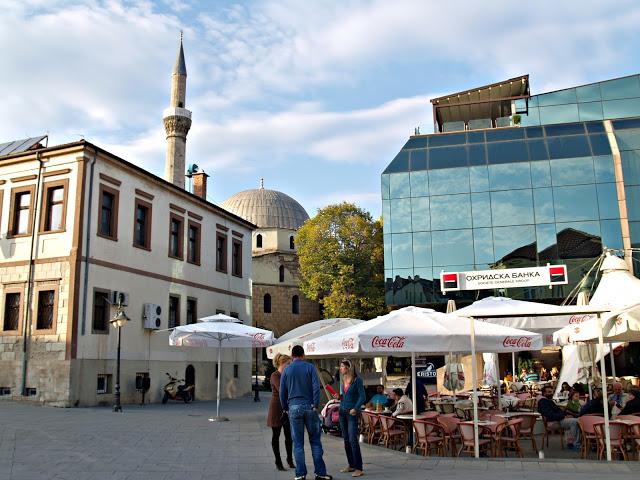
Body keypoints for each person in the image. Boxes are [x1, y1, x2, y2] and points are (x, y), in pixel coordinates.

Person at [280, 345, 332, 480]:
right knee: (315, 441)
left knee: (297, 443)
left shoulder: (287, 370)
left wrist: (285, 407)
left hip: (293, 407)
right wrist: (314, 404)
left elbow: (282, 391)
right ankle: (320, 473)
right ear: (303, 355)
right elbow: (316, 387)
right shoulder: (310, 368)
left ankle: (300, 475)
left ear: (292, 356)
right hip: (309, 407)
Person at [337, 359, 366, 478]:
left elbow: (362, 396)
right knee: (346, 440)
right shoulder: (344, 380)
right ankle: (351, 464)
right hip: (342, 411)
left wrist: (356, 408)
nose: (340, 368)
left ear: (348, 368)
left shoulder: (357, 380)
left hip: (352, 413)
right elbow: (345, 396)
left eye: (342, 366)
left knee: (353, 440)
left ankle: (359, 468)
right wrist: (339, 397)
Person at [268, 354, 294, 471]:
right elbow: (282, 389)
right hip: (276, 408)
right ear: (281, 363)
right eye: (288, 364)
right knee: (276, 436)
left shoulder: (287, 375)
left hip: (287, 408)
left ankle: (289, 459)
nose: (290, 366)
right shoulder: (275, 375)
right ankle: (278, 461)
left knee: (289, 436)